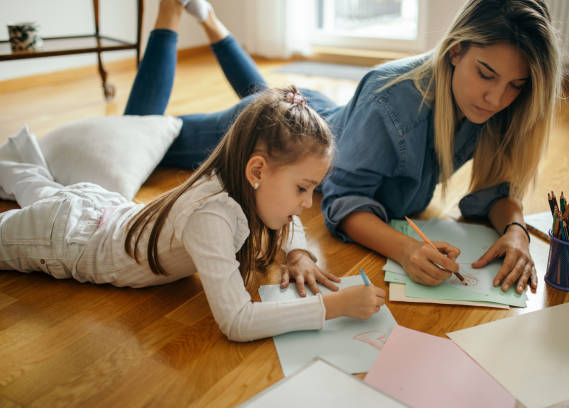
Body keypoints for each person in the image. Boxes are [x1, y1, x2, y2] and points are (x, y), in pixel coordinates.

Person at [0, 2, 386, 343]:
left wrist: (298, 251)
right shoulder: (212, 216)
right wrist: (333, 306)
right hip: (67, 241)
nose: (305, 205)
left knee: (39, 187)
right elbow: (237, 320)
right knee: (32, 209)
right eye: (303, 189)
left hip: (99, 208)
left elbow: (286, 214)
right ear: (257, 169)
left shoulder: (242, 181)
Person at [151, 0, 561, 295]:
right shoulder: (390, 97)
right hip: (286, 136)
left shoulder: (505, 104)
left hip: (320, 114)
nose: (495, 99)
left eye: (515, 86)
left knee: (264, 93)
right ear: (455, 50)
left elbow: (496, 192)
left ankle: (207, 18)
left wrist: (516, 232)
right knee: (146, 134)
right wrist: (406, 249)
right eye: (486, 74)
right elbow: (345, 200)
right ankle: (170, 10)